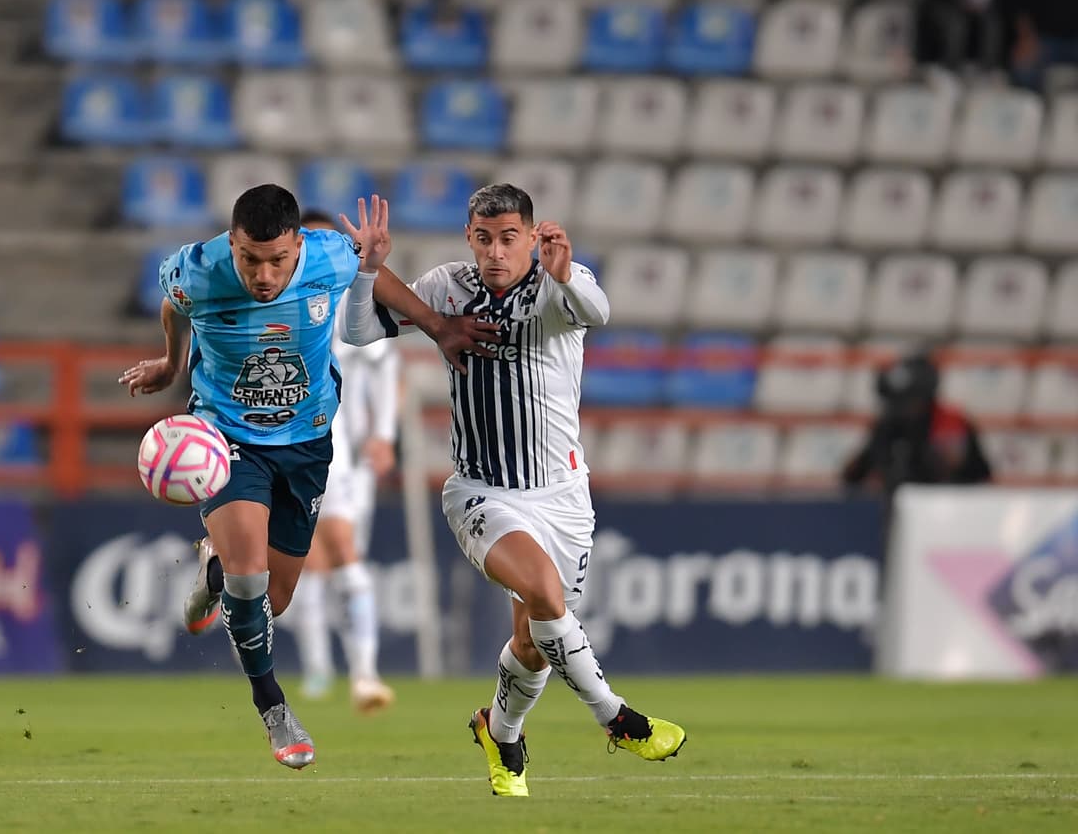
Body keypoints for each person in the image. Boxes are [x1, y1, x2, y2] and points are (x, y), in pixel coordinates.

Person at [119, 184, 497, 769]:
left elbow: (375, 275)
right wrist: (172, 362)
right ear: (233, 242)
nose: (264, 275)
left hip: (308, 441)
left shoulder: (329, 254)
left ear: (298, 244)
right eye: (250, 258)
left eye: (277, 259)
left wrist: (436, 324)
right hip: (227, 437)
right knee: (251, 584)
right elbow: (173, 303)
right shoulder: (198, 269)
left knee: (274, 598)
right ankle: (273, 708)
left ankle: (213, 568)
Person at [339, 184, 687, 797]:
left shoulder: (561, 281)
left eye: (508, 238)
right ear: (469, 238)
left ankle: (499, 732)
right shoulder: (447, 287)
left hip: (562, 495)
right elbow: (360, 330)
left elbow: (598, 311)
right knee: (547, 595)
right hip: (482, 491)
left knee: (533, 643)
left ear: (531, 236)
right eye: (483, 238)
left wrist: (564, 273)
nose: (495, 252)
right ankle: (618, 717)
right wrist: (369, 270)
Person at [285, 208, 399, 713]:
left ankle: (365, 674)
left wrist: (382, 435)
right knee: (310, 562)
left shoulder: (355, 298)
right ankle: (318, 671)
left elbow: (384, 369)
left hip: (338, 451)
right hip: (287, 445)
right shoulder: (283, 297)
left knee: (342, 552)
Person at [842, 350, 992, 495]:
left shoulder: (952, 423)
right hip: (895, 508)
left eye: (911, 400)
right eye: (897, 401)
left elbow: (980, 476)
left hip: (945, 508)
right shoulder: (886, 427)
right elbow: (853, 475)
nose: (905, 409)